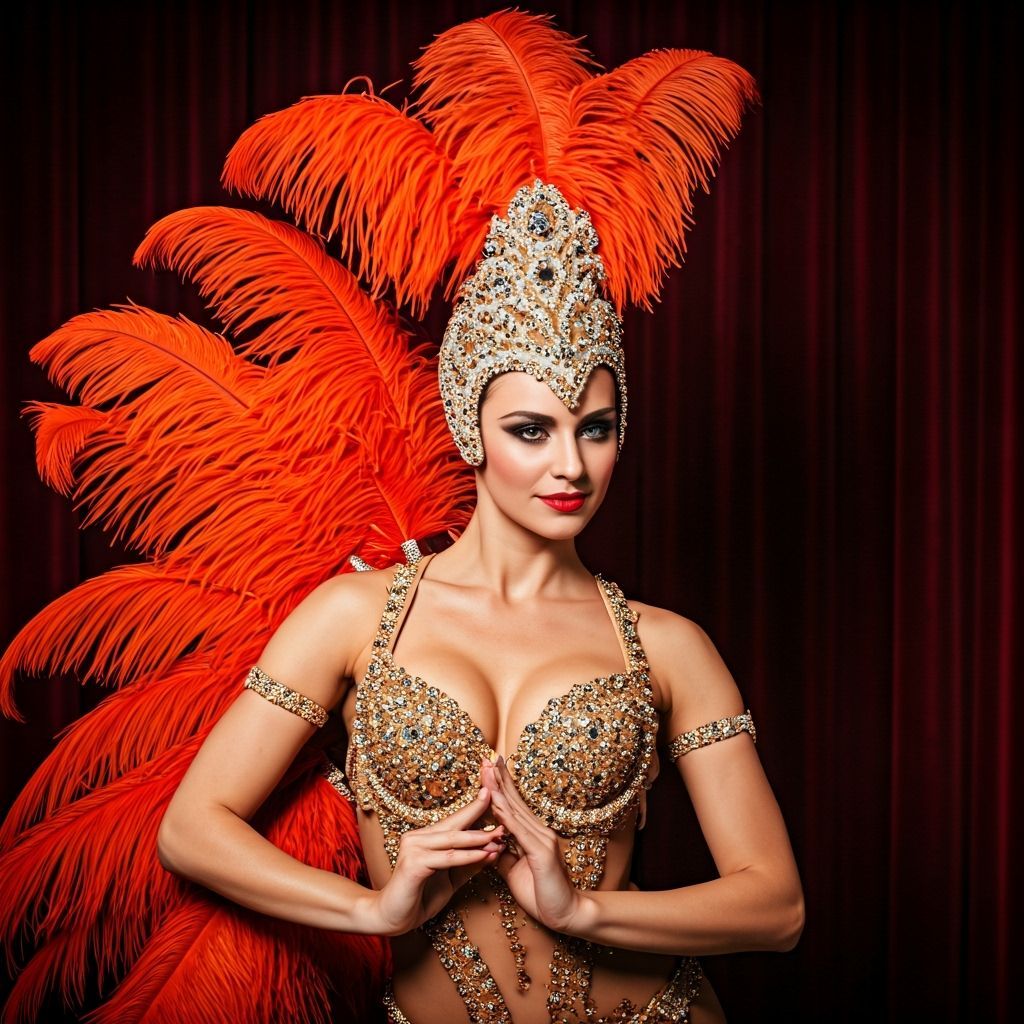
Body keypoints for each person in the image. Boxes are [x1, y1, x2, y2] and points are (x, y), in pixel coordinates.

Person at [2, 10, 802, 1023]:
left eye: (595, 429)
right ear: (470, 426)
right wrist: (371, 908)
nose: (570, 464)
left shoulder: (669, 646)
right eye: (531, 429)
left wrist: (584, 906)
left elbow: (776, 907)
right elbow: (194, 828)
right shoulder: (356, 617)